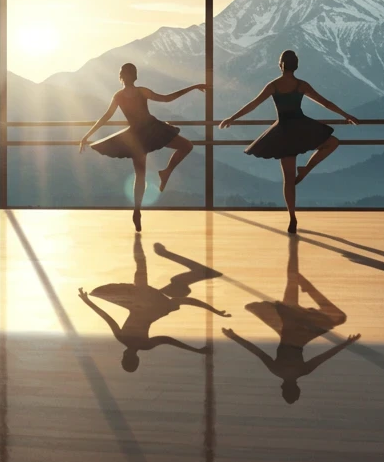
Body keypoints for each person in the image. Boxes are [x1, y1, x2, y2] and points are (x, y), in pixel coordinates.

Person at [219, 50, 357, 234]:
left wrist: (232, 118)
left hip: (283, 131)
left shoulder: (274, 85)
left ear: (280, 65)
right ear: (296, 65)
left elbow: (253, 104)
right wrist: (346, 115)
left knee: (288, 179)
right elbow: (325, 102)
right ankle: (307, 169)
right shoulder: (301, 85)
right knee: (332, 142)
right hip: (301, 126)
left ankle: (292, 218)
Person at [222, 235, 359, 403]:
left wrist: (347, 343)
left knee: (339, 318)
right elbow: (257, 352)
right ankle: (294, 249)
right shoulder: (277, 370)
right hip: (289, 325)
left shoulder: (303, 371)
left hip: (300, 331)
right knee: (292, 280)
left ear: (297, 387)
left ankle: (303, 279)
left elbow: (324, 356)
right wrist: (234, 336)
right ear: (283, 388)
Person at [79, 63, 205, 232]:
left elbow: (105, 117)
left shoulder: (118, 96)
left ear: (121, 77)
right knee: (186, 146)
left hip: (137, 137)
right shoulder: (142, 91)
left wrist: (87, 135)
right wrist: (194, 86)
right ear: (135, 76)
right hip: (153, 130)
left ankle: (137, 210)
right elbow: (168, 98)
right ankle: (166, 171)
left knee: (140, 176)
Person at [78, 236, 226, 372]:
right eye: (124, 358)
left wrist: (197, 350)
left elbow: (168, 340)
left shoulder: (144, 345)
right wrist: (87, 301)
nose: (123, 355)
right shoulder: (123, 338)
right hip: (143, 302)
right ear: (127, 357)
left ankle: (138, 239)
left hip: (149, 306)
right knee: (142, 266)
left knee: (149, 274)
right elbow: (106, 316)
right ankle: (137, 238)